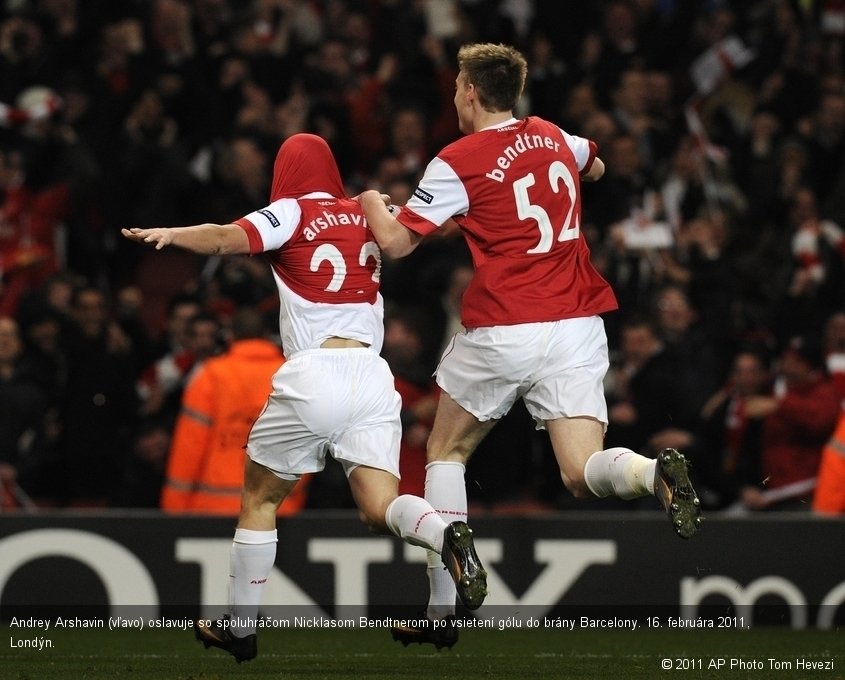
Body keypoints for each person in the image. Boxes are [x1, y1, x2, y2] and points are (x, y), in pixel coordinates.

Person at [357, 43, 702, 648]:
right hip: (576, 323)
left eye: (458, 85)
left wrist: (370, 204)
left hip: (505, 325)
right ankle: (652, 475)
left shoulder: (457, 158)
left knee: (445, 453)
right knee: (580, 471)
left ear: (468, 91)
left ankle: (443, 609)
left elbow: (399, 243)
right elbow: (594, 165)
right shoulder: (549, 134)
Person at [121, 132, 487, 663]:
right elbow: (438, 224)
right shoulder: (368, 213)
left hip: (315, 372)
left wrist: (172, 234)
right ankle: (444, 530)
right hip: (371, 375)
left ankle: (239, 628)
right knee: (379, 507)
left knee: (261, 499)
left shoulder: (288, 212)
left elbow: (225, 238)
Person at [159, 306, 298, 514]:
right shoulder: (291, 375)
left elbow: (190, 445)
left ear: (230, 335)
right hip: (276, 508)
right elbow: (303, 444)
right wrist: (295, 498)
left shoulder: (210, 375)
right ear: (267, 335)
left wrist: (174, 506)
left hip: (213, 508)